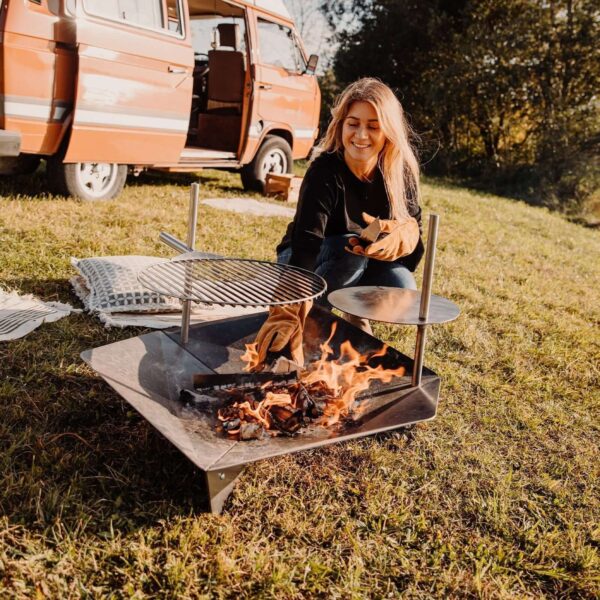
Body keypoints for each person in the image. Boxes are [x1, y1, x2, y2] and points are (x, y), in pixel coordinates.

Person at [251, 78, 424, 369]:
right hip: (304, 260)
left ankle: (354, 317)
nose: (361, 134)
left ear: (388, 131)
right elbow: (305, 246)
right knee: (349, 254)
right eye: (353, 123)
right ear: (341, 125)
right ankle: (311, 327)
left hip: (359, 261)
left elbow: (414, 257)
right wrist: (288, 309)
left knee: (401, 283)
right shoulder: (325, 171)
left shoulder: (398, 172)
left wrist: (402, 237)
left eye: (373, 126)